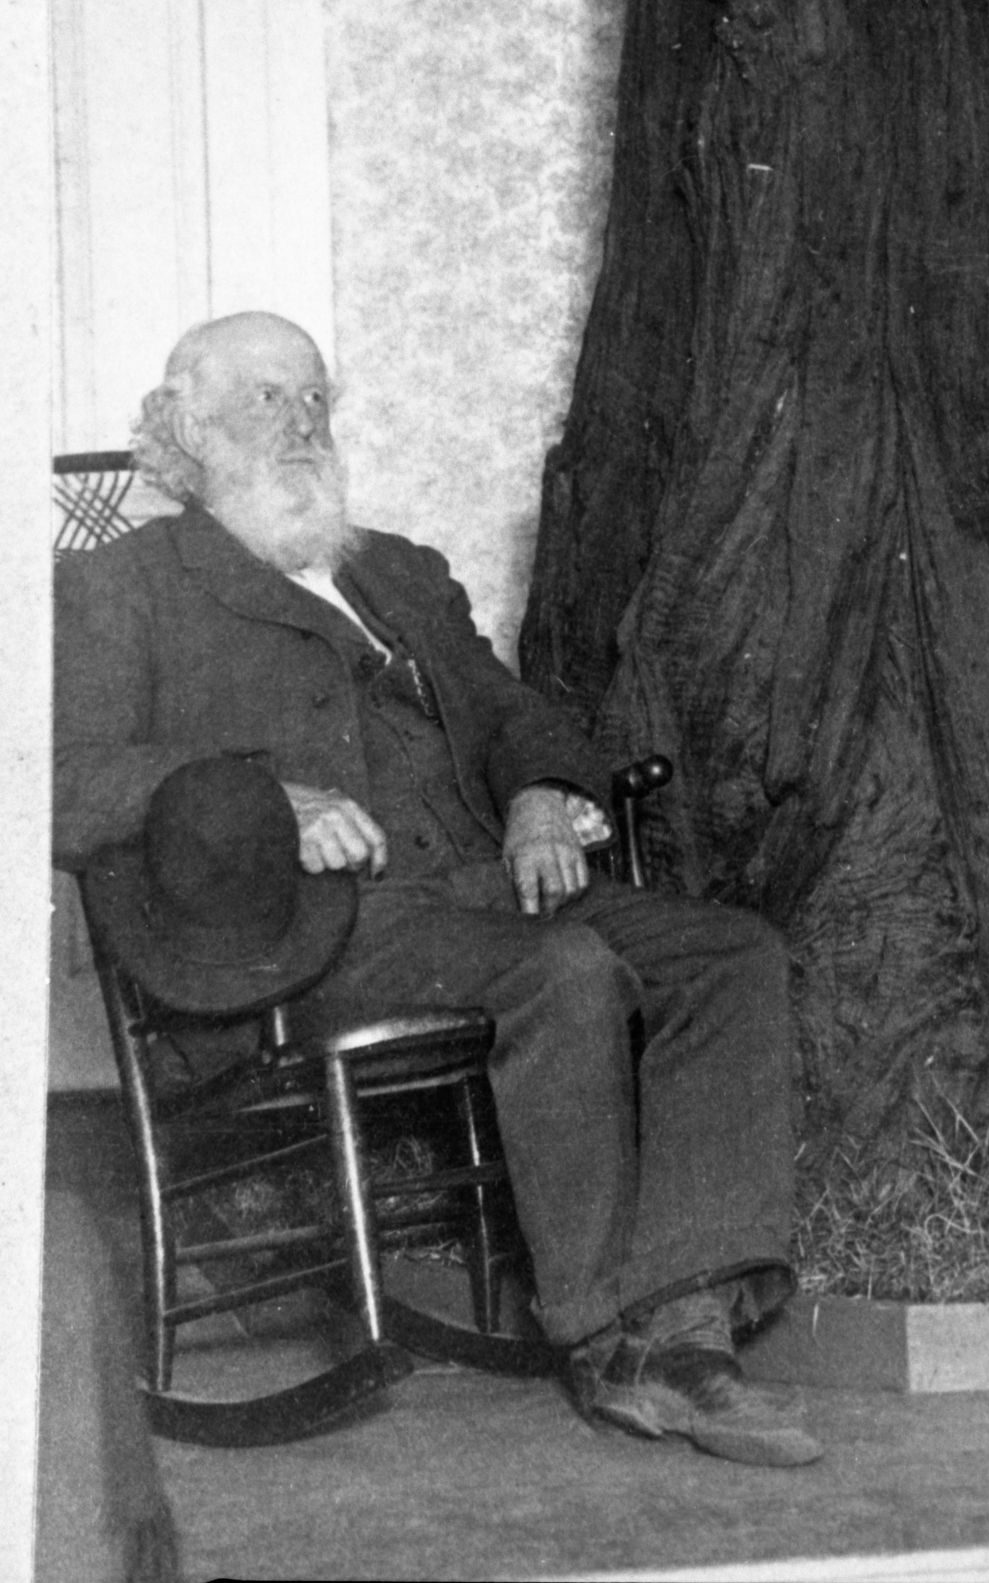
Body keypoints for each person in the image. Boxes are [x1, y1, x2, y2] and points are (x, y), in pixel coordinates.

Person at [54, 312, 823, 1467]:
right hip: (312, 931)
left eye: (315, 396)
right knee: (565, 970)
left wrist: (536, 791)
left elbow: (509, 709)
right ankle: (611, 1338)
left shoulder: (398, 568)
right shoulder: (123, 589)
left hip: (482, 885)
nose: (304, 419)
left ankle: (687, 1315)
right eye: (267, 398)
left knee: (731, 954)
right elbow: (53, 777)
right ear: (187, 429)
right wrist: (266, 798)